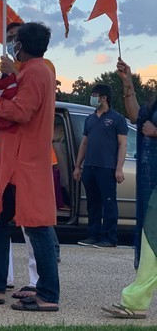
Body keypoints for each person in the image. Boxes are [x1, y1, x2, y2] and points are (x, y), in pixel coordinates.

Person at [0, 22, 60, 312]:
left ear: (21, 46)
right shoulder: (30, 71)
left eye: (14, 40)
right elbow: (10, 99)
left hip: (23, 164)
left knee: (36, 227)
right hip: (15, 160)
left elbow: (20, 111)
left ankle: (48, 294)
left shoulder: (35, 72)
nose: (11, 44)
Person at [101, 58, 157, 319]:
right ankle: (135, 301)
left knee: (151, 241)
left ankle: (135, 302)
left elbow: (149, 127)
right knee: (150, 241)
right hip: (152, 180)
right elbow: (137, 117)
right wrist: (128, 83)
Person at [74, 83, 128, 248]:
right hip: (90, 167)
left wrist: (119, 168)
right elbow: (84, 143)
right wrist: (78, 166)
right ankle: (93, 235)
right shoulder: (90, 119)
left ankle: (110, 238)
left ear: (104, 98)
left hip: (107, 168)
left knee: (109, 203)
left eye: (95, 95)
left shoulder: (117, 119)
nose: (93, 98)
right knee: (93, 203)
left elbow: (123, 145)